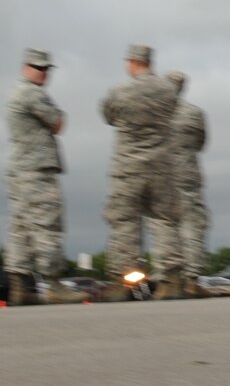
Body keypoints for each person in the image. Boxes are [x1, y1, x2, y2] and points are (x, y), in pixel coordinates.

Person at [100, 44, 186, 300]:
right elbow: (173, 111)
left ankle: (124, 283)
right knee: (165, 221)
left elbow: (108, 116)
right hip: (161, 168)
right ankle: (172, 281)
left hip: (128, 168)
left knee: (125, 222)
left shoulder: (120, 91)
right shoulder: (167, 90)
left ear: (132, 62)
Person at [3, 49, 87, 305]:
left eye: (46, 69)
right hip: (36, 170)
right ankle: (53, 284)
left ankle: (19, 287)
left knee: (21, 228)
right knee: (47, 225)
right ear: (25, 67)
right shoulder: (32, 93)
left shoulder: (16, 92)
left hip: (19, 170)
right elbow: (58, 123)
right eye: (39, 68)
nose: (44, 73)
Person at [147, 71, 211, 297]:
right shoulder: (195, 114)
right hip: (187, 177)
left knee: (162, 228)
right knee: (192, 226)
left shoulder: (151, 114)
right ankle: (192, 280)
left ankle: (167, 280)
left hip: (159, 178)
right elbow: (200, 144)